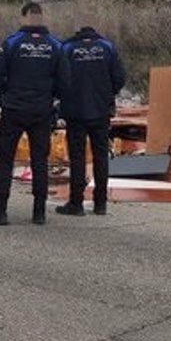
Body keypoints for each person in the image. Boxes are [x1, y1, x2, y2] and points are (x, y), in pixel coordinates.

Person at [0, 2, 66, 225]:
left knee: (5, 160)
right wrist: (51, 98)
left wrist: (5, 94)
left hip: (13, 109)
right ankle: (38, 213)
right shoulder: (56, 46)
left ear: (24, 17)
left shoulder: (11, 43)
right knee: (39, 161)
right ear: (41, 17)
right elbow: (65, 81)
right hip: (41, 110)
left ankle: (0, 212)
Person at [56, 25, 126, 216]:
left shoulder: (67, 48)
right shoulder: (107, 47)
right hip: (101, 110)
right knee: (101, 157)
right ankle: (100, 203)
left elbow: (59, 78)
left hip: (75, 111)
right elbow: (120, 77)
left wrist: (63, 97)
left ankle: (76, 203)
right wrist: (108, 92)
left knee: (77, 158)